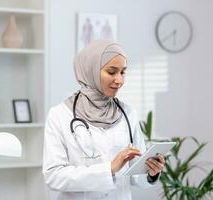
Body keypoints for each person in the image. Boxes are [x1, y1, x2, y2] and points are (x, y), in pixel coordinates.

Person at [43, 39, 165, 200]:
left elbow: (134, 174)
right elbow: (54, 176)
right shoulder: (60, 115)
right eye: (112, 71)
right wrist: (109, 169)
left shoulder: (128, 113)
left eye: (123, 72)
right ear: (90, 70)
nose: (119, 80)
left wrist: (150, 172)